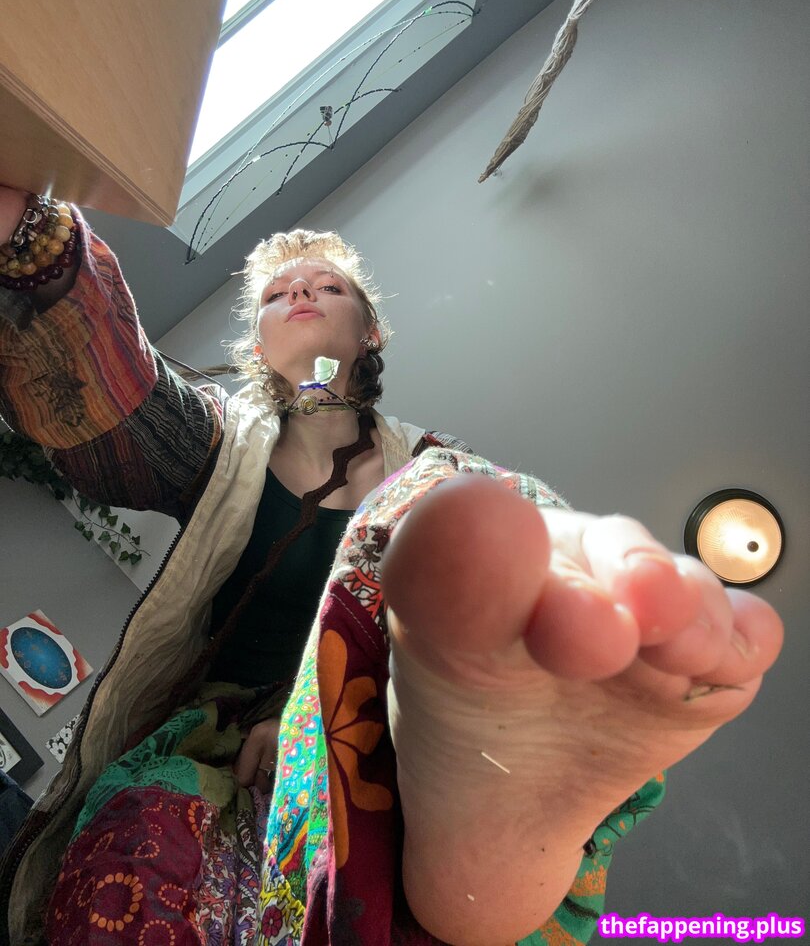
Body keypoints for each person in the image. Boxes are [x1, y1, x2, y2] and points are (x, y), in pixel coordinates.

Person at [0, 185, 784, 946]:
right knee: (142, 842)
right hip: (228, 747)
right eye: (277, 294)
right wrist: (33, 241)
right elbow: (120, 407)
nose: (301, 291)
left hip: (382, 721)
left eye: (328, 285)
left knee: (470, 508)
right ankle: (482, 861)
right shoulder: (214, 443)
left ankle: (509, 725)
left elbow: (489, 513)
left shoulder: (437, 466)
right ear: (259, 347)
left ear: (370, 331)